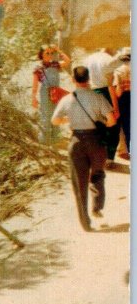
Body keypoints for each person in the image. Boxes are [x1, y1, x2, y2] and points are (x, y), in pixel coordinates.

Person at [52, 65, 116, 231]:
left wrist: (69, 120)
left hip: (76, 141)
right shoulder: (97, 97)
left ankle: (85, 223)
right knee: (98, 174)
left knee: (79, 183)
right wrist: (100, 121)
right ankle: (97, 207)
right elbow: (111, 121)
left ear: (73, 80)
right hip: (96, 140)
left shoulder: (67, 99)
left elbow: (55, 120)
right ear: (88, 80)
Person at [83, 48, 120, 165]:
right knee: (113, 128)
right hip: (106, 93)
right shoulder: (108, 60)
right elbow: (110, 85)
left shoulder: (88, 59)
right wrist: (115, 107)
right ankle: (109, 158)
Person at [32, 43, 71, 145]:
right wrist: (34, 98)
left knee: (56, 114)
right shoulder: (38, 68)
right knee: (46, 115)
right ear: (41, 54)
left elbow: (67, 61)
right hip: (45, 93)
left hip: (56, 93)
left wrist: (58, 50)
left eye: (51, 53)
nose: (49, 54)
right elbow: (35, 85)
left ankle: (56, 140)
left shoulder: (55, 64)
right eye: (47, 53)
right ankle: (45, 142)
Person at [112, 48, 131, 158]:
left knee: (120, 125)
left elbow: (118, 91)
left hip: (123, 98)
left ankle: (122, 150)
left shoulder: (118, 71)